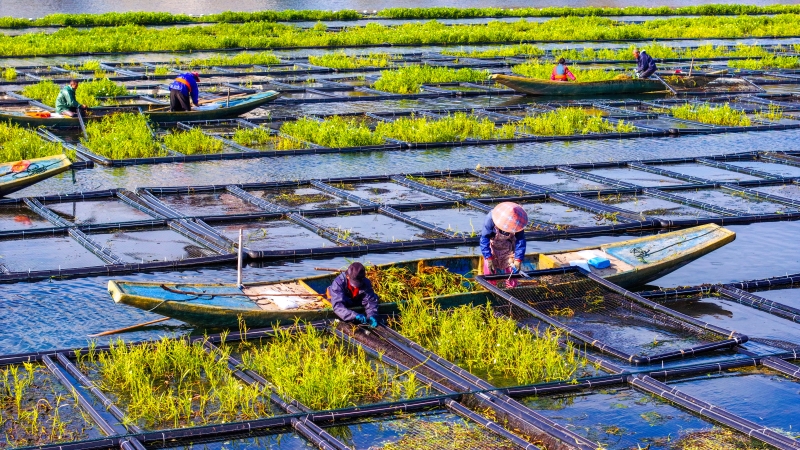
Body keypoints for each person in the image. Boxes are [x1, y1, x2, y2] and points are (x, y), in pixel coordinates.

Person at [480, 202, 528, 287]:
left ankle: (511, 288)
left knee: (512, 269)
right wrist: (489, 257)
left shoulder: (518, 221)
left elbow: (520, 240)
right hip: (493, 246)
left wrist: (518, 259)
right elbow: (484, 239)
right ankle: (491, 287)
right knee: (490, 269)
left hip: (508, 247)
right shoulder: (491, 218)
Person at [326, 262, 379, 328]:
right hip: (344, 299)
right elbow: (337, 306)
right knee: (335, 301)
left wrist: (372, 315)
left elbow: (370, 301)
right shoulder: (338, 283)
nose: (356, 287)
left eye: (359, 283)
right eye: (354, 283)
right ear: (347, 276)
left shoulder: (365, 282)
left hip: (355, 300)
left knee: (375, 297)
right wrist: (354, 316)